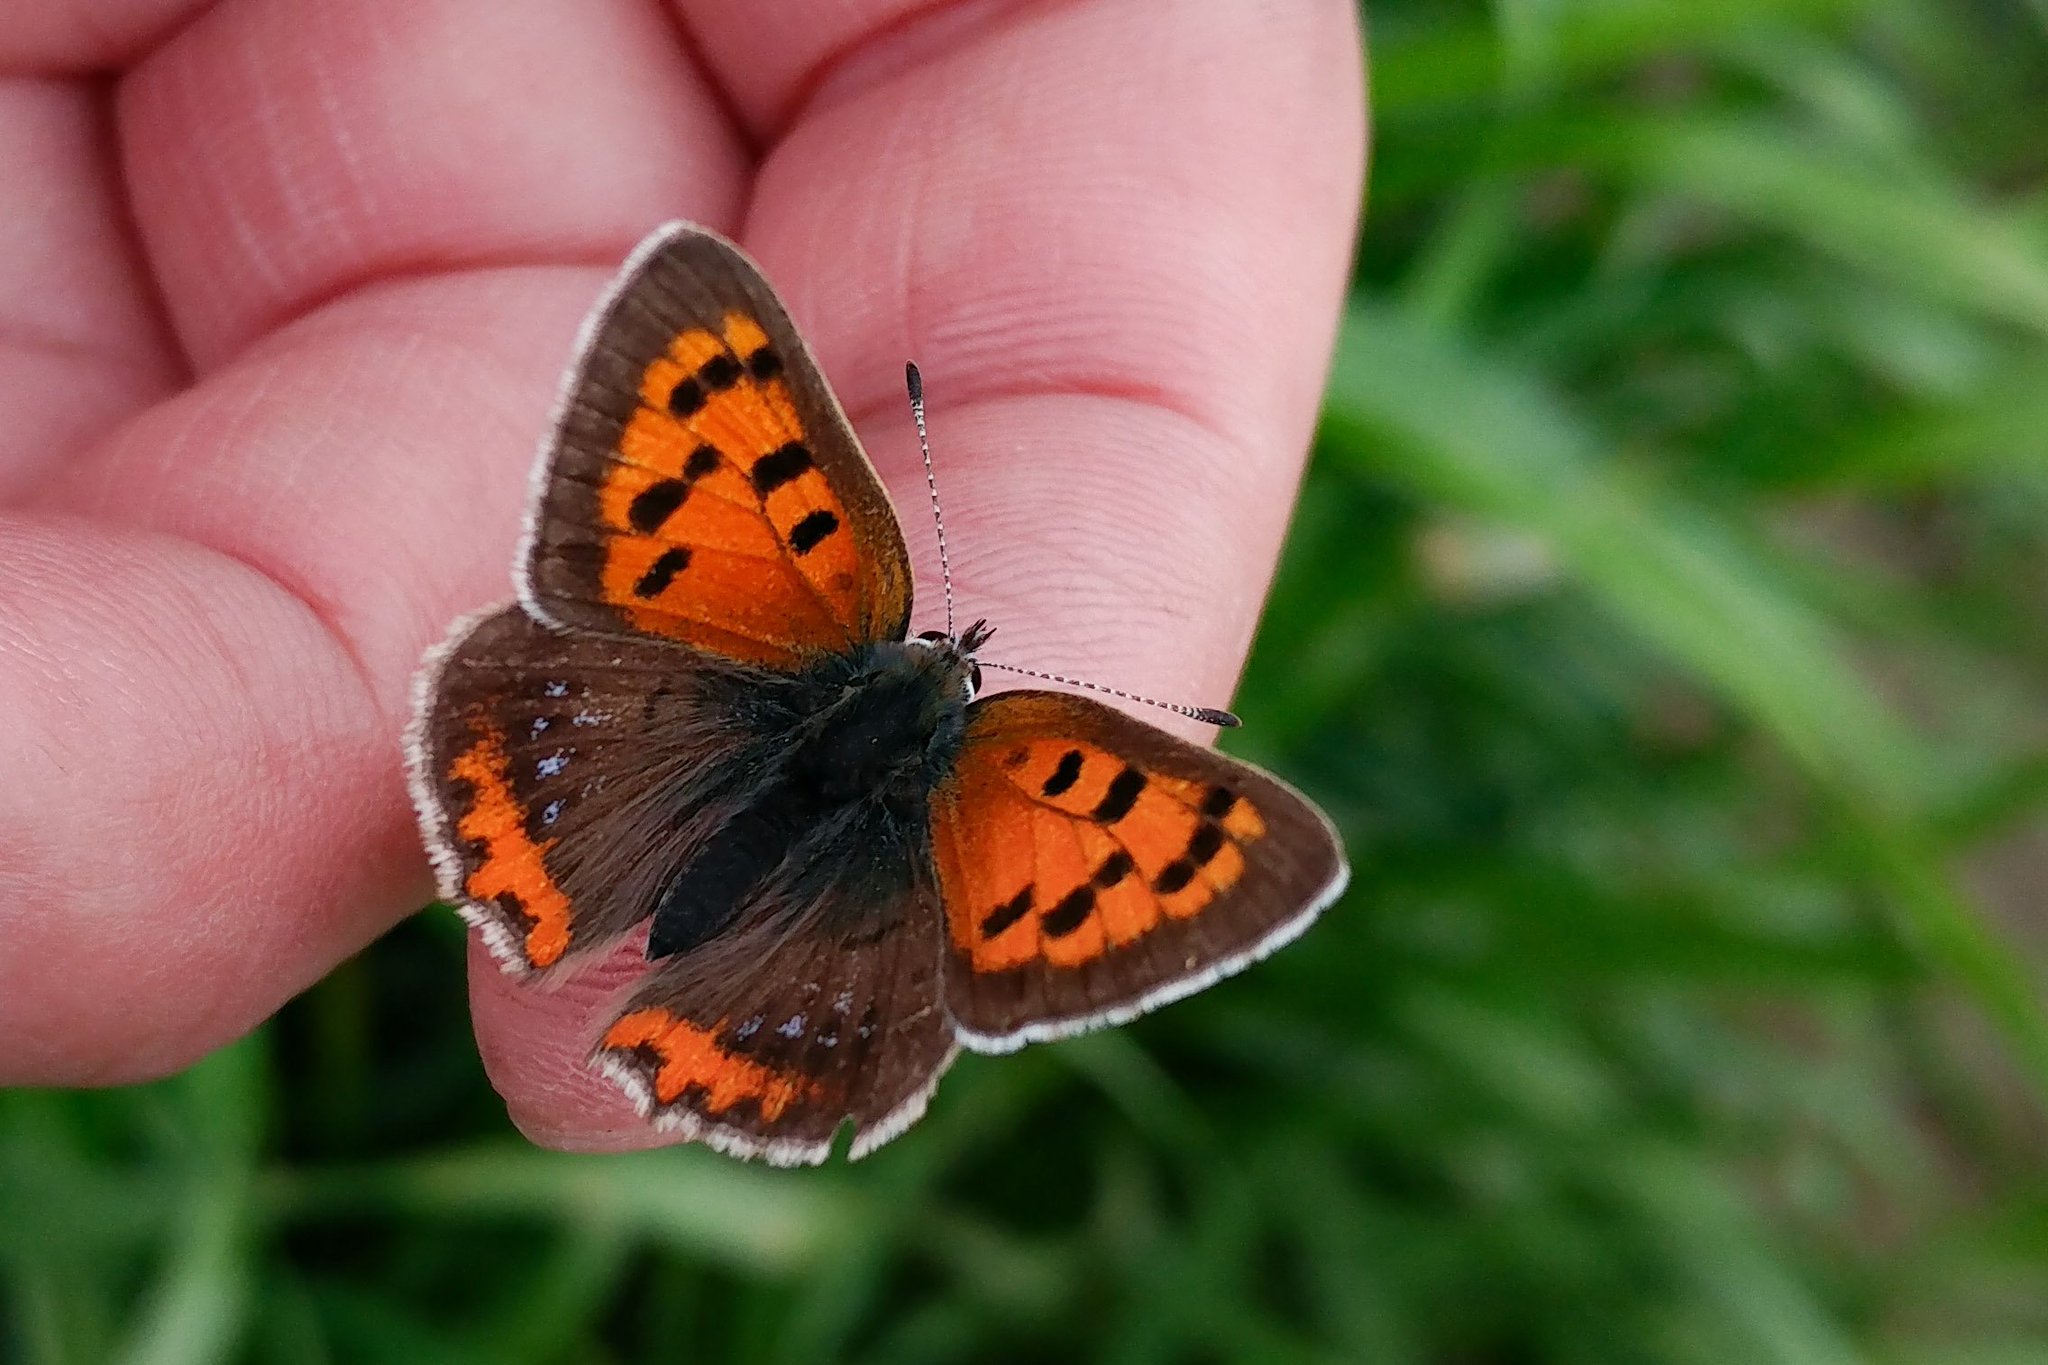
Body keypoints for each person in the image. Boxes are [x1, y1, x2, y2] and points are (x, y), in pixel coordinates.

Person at [0, 0, 1365, 1149]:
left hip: (644, 749)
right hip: (797, 891)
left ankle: (589, 915)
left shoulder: (843, 581)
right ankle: (652, 979)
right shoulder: (1045, 765)